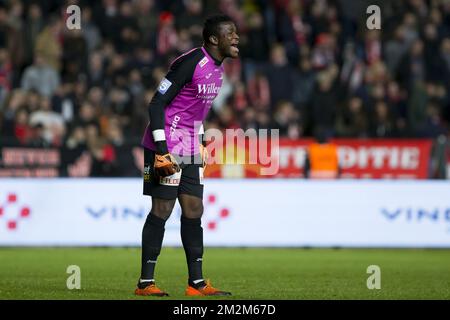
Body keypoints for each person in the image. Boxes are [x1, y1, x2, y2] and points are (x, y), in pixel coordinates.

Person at [135, 14, 239, 297]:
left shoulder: (218, 70)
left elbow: (195, 110)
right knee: (163, 210)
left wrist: (202, 140)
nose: (236, 38)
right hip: (165, 144)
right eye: (231, 33)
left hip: (191, 146)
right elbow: (157, 103)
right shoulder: (189, 62)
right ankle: (145, 283)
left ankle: (197, 284)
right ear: (214, 39)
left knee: (194, 210)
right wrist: (161, 150)